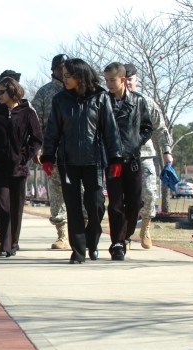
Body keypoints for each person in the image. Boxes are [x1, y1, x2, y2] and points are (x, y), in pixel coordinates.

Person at [41, 58, 122, 264]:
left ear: (80, 75)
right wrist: (48, 156)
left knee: (96, 206)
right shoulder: (60, 100)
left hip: (94, 161)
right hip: (68, 163)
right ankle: (78, 251)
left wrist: (115, 158)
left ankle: (92, 241)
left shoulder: (101, 97)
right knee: (73, 207)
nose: (65, 79)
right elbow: (52, 131)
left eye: (68, 75)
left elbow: (111, 131)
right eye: (64, 75)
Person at [0, 76, 43, 257]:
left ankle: (13, 244)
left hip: (20, 168)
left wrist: (25, 156)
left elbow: (37, 138)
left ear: (12, 90)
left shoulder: (28, 112)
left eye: (2, 92)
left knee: (16, 207)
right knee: (3, 205)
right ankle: (4, 245)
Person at [103, 62, 153, 260]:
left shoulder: (139, 101)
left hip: (132, 159)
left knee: (134, 202)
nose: (108, 84)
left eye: (112, 80)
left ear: (123, 80)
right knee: (115, 204)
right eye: (106, 80)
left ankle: (125, 235)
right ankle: (117, 242)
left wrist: (135, 142)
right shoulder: (103, 101)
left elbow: (147, 127)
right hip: (112, 160)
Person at [124, 63, 174, 249]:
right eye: (124, 80)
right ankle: (125, 234)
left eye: (130, 79)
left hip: (144, 155)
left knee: (149, 191)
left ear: (136, 80)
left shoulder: (146, 101)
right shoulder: (112, 101)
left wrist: (166, 151)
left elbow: (160, 128)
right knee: (123, 198)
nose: (127, 83)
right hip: (121, 157)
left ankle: (145, 227)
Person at [32, 54, 71, 250]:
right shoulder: (45, 93)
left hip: (75, 151)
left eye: (67, 67)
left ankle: (80, 233)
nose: (64, 71)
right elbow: (35, 122)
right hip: (52, 150)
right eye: (60, 67)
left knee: (80, 193)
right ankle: (62, 234)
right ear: (53, 69)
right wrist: (37, 147)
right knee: (56, 193)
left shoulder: (78, 89)